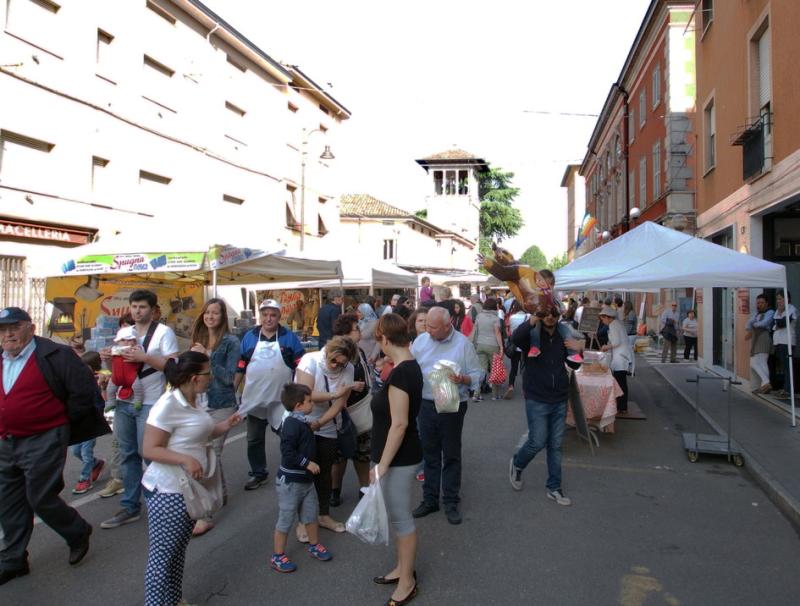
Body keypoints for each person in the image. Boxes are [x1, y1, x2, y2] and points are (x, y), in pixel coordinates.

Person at [0, 307, 109, 585]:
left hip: (44, 438)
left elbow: (83, 393)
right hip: (6, 440)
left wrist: (58, 426)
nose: (8, 334)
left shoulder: (56, 355)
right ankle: (14, 560)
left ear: (31, 328)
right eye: (2, 330)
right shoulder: (1, 357)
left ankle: (77, 531)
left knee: (40, 497)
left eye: (14, 327)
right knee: (8, 501)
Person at [141, 351, 241, 606]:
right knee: (162, 558)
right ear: (195, 377)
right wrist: (185, 460)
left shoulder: (196, 400)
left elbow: (200, 433)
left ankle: (174, 600)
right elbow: (150, 449)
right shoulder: (167, 405)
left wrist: (226, 425)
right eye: (208, 372)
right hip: (168, 490)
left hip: (189, 489)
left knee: (177, 552)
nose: (212, 377)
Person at [102, 290, 178, 530]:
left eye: (142, 307)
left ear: (153, 310)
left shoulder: (164, 332)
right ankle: (130, 506)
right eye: (134, 306)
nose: (137, 311)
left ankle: (163, 501)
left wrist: (144, 357)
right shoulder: (125, 332)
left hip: (151, 401)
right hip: (124, 399)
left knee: (150, 454)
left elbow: (174, 366)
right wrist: (108, 359)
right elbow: (117, 367)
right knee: (128, 454)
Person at [411, 306, 483, 525]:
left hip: (452, 404)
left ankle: (451, 501)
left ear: (447, 324)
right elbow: (410, 367)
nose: (428, 330)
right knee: (430, 453)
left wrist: (463, 379)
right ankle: (430, 499)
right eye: (426, 325)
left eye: (433, 327)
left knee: (451, 454)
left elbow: (478, 374)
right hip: (426, 403)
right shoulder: (421, 341)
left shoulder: (463, 344)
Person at [370, 314, 422, 606]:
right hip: (397, 456)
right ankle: (402, 568)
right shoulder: (405, 367)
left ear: (385, 339)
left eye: (379, 340)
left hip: (400, 458)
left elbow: (399, 424)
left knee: (402, 519)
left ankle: (407, 581)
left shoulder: (402, 372)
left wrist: (381, 466)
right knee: (398, 516)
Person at [507, 305, 583, 505]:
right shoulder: (532, 334)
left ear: (559, 315)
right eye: (546, 313)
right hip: (537, 397)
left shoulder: (563, 334)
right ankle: (518, 463)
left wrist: (578, 350)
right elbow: (516, 338)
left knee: (555, 446)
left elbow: (574, 364)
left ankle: (554, 487)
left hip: (559, 397)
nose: (550, 316)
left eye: (554, 313)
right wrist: (533, 318)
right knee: (537, 441)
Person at [296, 336, 360, 538]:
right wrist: (334, 395)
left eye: (341, 364)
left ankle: (323, 515)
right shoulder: (310, 360)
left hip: (328, 424)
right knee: (303, 473)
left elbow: (340, 404)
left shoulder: (348, 368)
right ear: (328, 353)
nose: (336, 366)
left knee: (324, 473)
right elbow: (305, 395)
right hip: (302, 422)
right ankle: (303, 521)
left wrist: (320, 423)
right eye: (333, 361)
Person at [237, 299, 305, 491]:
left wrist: (301, 392)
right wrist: (232, 389)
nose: (268, 319)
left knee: (288, 436)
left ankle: (290, 470)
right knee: (254, 439)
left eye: (273, 315)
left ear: (279, 316)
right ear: (260, 316)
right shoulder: (249, 337)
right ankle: (258, 473)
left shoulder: (289, 337)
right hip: (254, 399)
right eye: (265, 315)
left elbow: (300, 365)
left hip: (281, 400)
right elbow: (241, 365)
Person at [188, 298, 241, 536]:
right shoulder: (197, 339)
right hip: (198, 403)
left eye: (215, 313)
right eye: (207, 312)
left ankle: (205, 513)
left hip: (221, 404)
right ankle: (221, 493)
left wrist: (208, 357)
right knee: (204, 452)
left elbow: (229, 378)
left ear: (222, 317)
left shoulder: (231, 341)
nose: (210, 316)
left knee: (210, 455)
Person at [271, 383, 332, 573]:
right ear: (298, 405)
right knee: (286, 518)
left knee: (310, 515)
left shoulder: (301, 421)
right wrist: (307, 463)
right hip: (291, 482)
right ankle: (278, 556)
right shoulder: (291, 424)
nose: (312, 404)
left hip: (306, 481)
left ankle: (314, 544)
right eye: (309, 401)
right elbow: (287, 451)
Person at [329, 314, 372, 507]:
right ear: (345, 334)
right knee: (339, 456)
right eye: (356, 328)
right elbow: (332, 383)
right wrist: (351, 387)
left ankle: (364, 489)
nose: (359, 331)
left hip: (361, 409)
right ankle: (334, 490)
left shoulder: (359, 351)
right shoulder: (337, 354)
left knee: (362, 454)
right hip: (342, 411)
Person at [98, 312, 134, 499]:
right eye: (122, 326)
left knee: (142, 447)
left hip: (141, 402)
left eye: (128, 326)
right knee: (117, 443)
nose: (124, 331)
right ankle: (118, 479)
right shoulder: (116, 349)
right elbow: (113, 373)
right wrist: (106, 361)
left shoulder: (141, 349)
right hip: (120, 401)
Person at [71, 352, 107, 494]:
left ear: (93, 367)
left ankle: (84, 479)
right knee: (76, 451)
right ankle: (96, 463)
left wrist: (102, 386)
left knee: (85, 452)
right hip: (79, 422)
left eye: (85, 366)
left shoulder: (99, 380)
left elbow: (104, 401)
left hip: (91, 422)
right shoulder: (78, 379)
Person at [599, 306, 633, 414]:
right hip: (622, 355)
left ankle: (622, 407)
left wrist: (606, 347)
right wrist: (608, 345)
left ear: (607, 317)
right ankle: (622, 406)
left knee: (620, 382)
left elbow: (617, 342)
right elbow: (615, 340)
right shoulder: (616, 323)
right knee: (621, 382)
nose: (602, 321)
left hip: (621, 357)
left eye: (603, 319)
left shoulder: (613, 325)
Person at [469, 297, 504, 401]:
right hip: (493, 345)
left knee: (481, 371)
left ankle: (476, 394)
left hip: (480, 344)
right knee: (494, 370)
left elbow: (475, 330)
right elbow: (497, 333)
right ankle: (495, 395)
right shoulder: (495, 318)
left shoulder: (479, 316)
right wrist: (501, 347)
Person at [746, 293, 775, 394]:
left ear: (767, 303)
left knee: (757, 362)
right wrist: (755, 324)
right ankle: (765, 385)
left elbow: (765, 323)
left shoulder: (770, 312)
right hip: (756, 338)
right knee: (760, 363)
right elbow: (748, 325)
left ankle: (766, 382)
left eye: (762, 303)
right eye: (758, 303)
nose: (759, 305)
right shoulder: (756, 314)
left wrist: (755, 324)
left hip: (764, 337)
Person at [772, 292, 797, 398]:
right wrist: (777, 324)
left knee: (788, 367)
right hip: (778, 342)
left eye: (780, 299)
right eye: (777, 299)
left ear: (787, 299)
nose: (778, 301)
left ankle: (788, 390)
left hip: (787, 342)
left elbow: (781, 323)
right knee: (783, 367)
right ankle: (785, 388)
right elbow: (773, 324)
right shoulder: (778, 311)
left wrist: (777, 324)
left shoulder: (791, 309)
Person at [504, 300, 529, 400]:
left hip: (514, 346)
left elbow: (510, 331)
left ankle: (511, 386)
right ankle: (525, 389)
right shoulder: (528, 317)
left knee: (513, 368)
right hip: (525, 346)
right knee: (525, 369)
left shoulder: (512, 317)